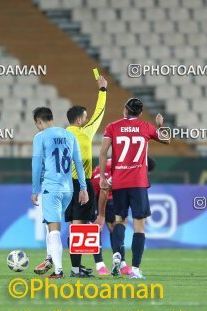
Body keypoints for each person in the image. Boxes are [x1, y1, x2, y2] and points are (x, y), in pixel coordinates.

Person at [35, 75, 108, 277]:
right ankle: (76, 269)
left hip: (63, 185)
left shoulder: (61, 135)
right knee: (80, 228)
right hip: (82, 185)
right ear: (79, 119)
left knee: (63, 226)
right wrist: (102, 90)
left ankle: (59, 261)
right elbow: (100, 112)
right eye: (85, 117)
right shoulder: (85, 132)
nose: (87, 119)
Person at [99, 98, 169, 279]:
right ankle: (135, 270)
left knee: (119, 221)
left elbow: (102, 152)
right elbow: (167, 140)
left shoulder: (112, 127)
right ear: (139, 113)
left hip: (119, 182)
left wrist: (103, 178)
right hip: (138, 183)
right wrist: (160, 125)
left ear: (125, 110)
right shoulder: (145, 127)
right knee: (139, 227)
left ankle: (117, 256)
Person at [31, 107, 89, 279]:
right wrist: (84, 188)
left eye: (37, 124)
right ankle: (50, 257)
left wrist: (35, 189)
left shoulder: (40, 137)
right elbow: (78, 162)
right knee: (51, 225)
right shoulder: (69, 135)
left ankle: (58, 271)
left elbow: (36, 165)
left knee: (53, 228)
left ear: (39, 121)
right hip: (68, 189)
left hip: (52, 188)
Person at [92, 156, 156, 276]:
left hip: (93, 191)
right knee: (118, 225)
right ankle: (121, 262)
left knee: (97, 228)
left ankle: (100, 265)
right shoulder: (134, 168)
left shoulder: (115, 160)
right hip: (110, 195)